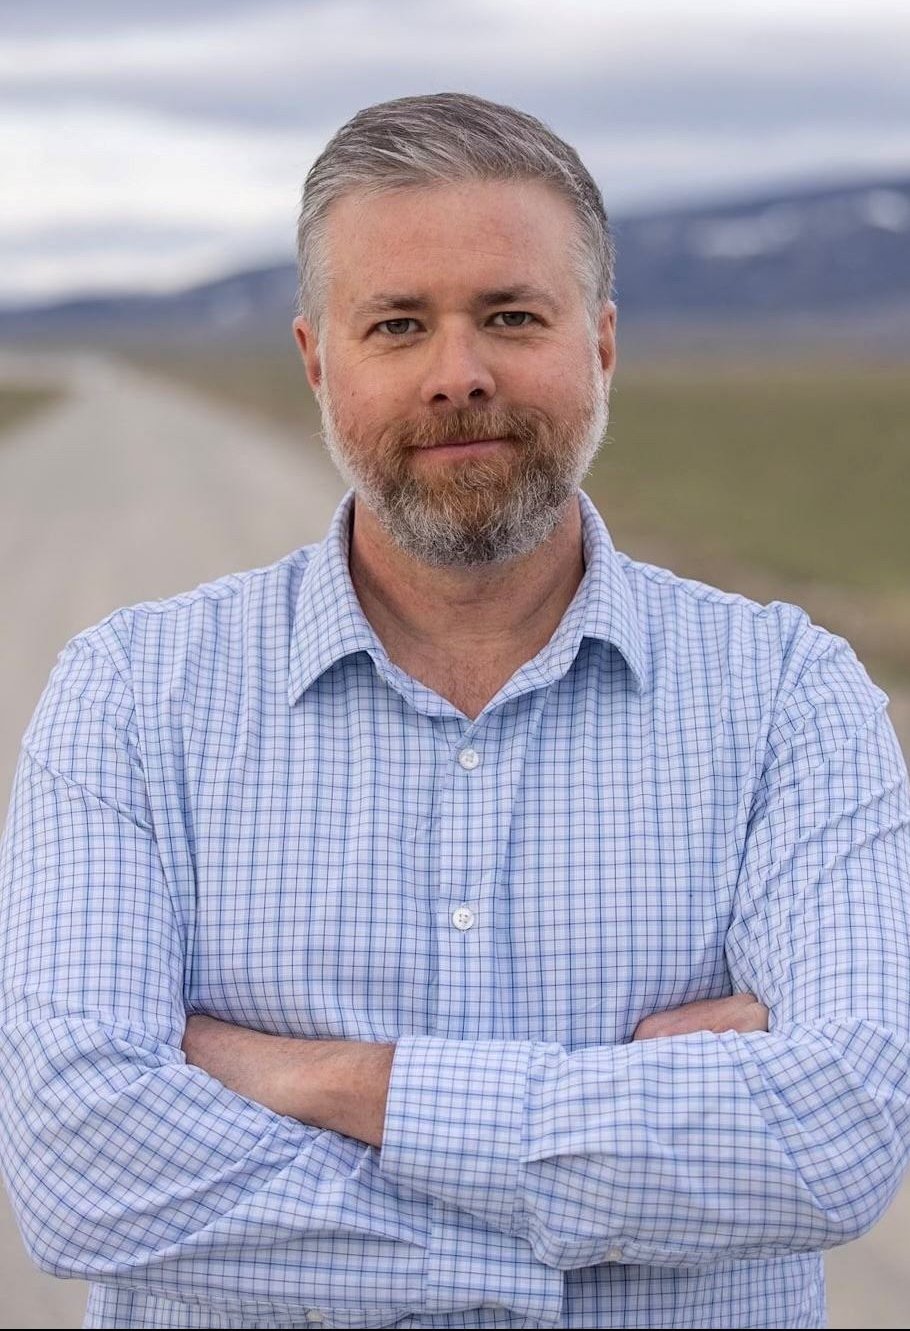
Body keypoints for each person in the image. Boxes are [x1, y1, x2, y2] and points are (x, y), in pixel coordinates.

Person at [1, 92, 908, 1331]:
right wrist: (552, 1255)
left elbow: (835, 1136)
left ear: (601, 343)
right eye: (397, 324)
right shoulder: (134, 698)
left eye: (511, 316)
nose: (458, 374)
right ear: (320, 359)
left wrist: (323, 1080)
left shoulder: (790, 698)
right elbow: (79, 1166)